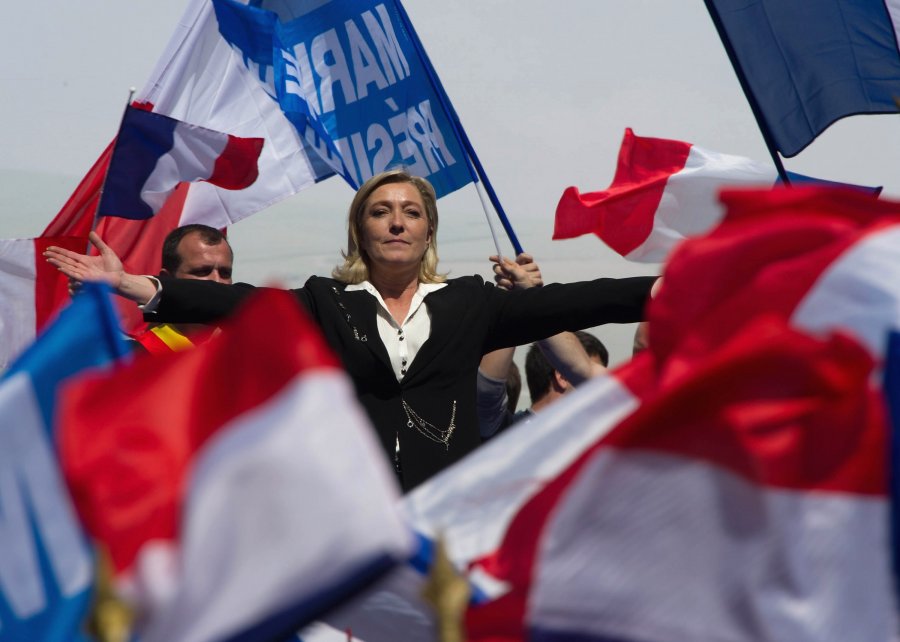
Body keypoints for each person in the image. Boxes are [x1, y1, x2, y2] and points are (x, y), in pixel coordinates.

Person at [46, 170, 657, 491]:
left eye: (411, 212)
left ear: (428, 231)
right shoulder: (327, 301)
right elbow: (236, 302)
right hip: (356, 516)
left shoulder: (470, 302)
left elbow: (582, 301)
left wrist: (669, 286)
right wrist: (135, 285)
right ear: (360, 231)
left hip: (445, 515)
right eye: (380, 212)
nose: (396, 222)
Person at [132, 224, 234, 354]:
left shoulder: (248, 350)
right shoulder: (133, 358)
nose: (217, 281)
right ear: (167, 279)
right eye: (202, 272)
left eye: (225, 273)